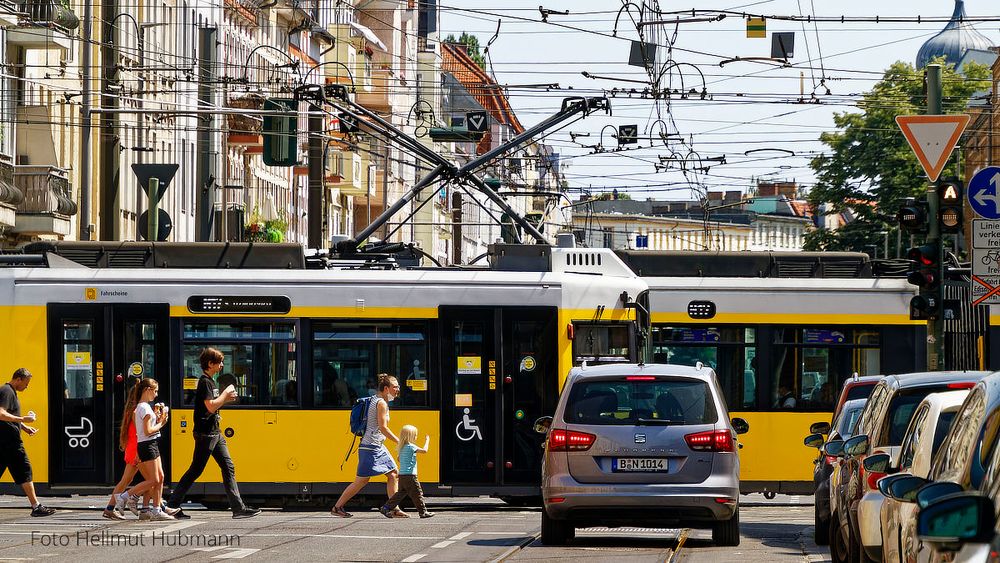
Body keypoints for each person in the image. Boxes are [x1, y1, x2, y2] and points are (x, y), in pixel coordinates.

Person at [167, 348, 261, 519]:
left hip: (214, 432)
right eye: (219, 362)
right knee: (196, 470)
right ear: (210, 364)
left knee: (228, 466)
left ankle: (238, 508)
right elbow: (210, 406)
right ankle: (172, 505)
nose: (222, 366)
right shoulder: (205, 382)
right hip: (206, 434)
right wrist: (225, 395)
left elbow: (212, 406)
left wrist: (224, 400)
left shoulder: (210, 381)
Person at [331, 374, 404, 518]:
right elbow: (383, 428)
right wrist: (400, 441)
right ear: (385, 389)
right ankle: (337, 507)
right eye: (395, 387)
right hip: (371, 446)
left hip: (375, 445)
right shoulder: (381, 403)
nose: (398, 390)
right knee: (362, 480)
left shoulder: (376, 400)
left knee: (393, 474)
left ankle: (393, 507)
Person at [116, 378, 173, 520]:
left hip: (149, 444)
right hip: (148, 445)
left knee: (160, 478)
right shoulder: (145, 408)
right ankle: (127, 496)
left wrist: (158, 418)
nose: (156, 394)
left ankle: (155, 509)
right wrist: (162, 424)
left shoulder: (142, 407)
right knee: (154, 480)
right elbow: (148, 431)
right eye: (155, 391)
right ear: (147, 390)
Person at [0, 368, 54, 517]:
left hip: (5, 442)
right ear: (18, 379)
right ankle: (36, 506)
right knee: (25, 470)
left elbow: (9, 415)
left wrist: (24, 427)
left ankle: (36, 506)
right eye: (26, 383)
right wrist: (23, 419)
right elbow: (1, 413)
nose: (27, 386)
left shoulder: (10, 391)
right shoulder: (7, 391)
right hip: (9, 442)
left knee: (23, 470)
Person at [380, 425, 434, 519]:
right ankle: (423, 512)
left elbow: (399, 459)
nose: (416, 437)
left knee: (400, 494)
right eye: (415, 435)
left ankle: (386, 507)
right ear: (411, 436)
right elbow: (424, 451)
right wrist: (427, 440)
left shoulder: (401, 448)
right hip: (410, 475)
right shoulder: (411, 447)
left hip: (402, 475)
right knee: (418, 494)